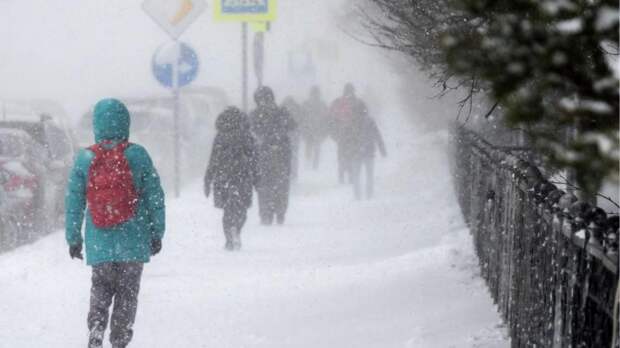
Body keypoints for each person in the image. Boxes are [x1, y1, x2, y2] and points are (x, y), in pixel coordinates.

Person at [65, 98, 165, 348]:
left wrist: (74, 238)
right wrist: (156, 232)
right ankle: (120, 339)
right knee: (127, 294)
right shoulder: (137, 155)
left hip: (100, 242)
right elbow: (154, 196)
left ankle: (97, 328)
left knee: (100, 288)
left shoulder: (85, 158)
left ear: (96, 124)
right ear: (125, 122)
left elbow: (74, 201)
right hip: (133, 240)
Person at [204, 107, 258, 250]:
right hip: (243, 177)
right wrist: (257, 180)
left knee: (227, 210)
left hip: (223, 177)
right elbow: (254, 159)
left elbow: (213, 160)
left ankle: (229, 237)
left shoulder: (220, 137)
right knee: (242, 209)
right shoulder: (247, 136)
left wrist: (208, 179)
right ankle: (237, 231)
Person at [249, 86, 296, 225]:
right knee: (281, 185)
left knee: (264, 186)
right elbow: (293, 126)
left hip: (263, 155)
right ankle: (280, 212)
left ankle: (266, 214)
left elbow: (251, 132)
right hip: (281, 155)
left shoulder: (255, 114)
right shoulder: (282, 112)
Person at [328, 83, 367, 184]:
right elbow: (365, 118)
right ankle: (350, 175)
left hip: (341, 134)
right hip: (354, 134)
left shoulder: (337, 102)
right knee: (352, 154)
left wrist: (334, 134)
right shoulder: (359, 103)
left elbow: (330, 119)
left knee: (341, 155)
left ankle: (342, 175)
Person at [349, 111, 387, 200]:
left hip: (355, 152)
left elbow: (348, 137)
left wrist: (347, 150)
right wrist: (382, 149)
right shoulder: (370, 121)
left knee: (356, 175)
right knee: (369, 174)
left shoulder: (352, 121)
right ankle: (369, 194)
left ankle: (357, 195)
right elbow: (377, 135)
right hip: (369, 152)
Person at [302, 86, 329, 170]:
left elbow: (302, 117)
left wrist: (303, 128)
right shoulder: (322, 104)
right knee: (316, 147)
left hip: (309, 129)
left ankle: (308, 162)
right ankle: (314, 165)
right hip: (317, 129)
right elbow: (326, 118)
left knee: (309, 146)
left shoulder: (306, 103)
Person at [281, 96, 302, 181]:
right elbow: (297, 122)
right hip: (294, 136)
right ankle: (293, 174)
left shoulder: (281, 110)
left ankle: (287, 173)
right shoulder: (297, 108)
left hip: (284, 138)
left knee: (285, 156)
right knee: (294, 156)